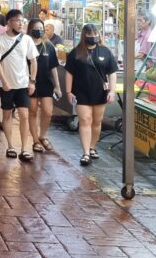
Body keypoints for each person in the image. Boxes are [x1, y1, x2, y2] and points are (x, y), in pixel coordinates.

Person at [64, 23, 118, 166]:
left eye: (95, 34)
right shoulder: (76, 52)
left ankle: (93, 147)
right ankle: (86, 153)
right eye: (89, 34)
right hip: (81, 92)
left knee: (97, 121)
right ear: (84, 35)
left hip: (100, 92)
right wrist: (68, 91)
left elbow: (112, 73)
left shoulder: (105, 51)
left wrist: (112, 91)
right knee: (85, 120)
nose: (93, 37)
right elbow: (69, 73)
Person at [0, 10, 39, 161]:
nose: (20, 23)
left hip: (23, 83)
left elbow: (33, 61)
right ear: (9, 22)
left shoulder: (27, 40)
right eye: (17, 20)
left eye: (22, 21)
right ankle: (10, 146)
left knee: (24, 115)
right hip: (6, 85)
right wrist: (4, 82)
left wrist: (32, 81)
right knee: (7, 114)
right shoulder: (0, 40)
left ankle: (24, 148)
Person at [27, 17, 61, 154]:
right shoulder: (26, 44)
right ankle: (35, 140)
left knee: (47, 111)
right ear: (30, 30)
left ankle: (42, 135)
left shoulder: (49, 46)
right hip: (30, 83)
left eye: (41, 29)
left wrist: (57, 86)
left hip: (46, 83)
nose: (39, 31)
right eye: (36, 29)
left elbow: (54, 67)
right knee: (33, 111)